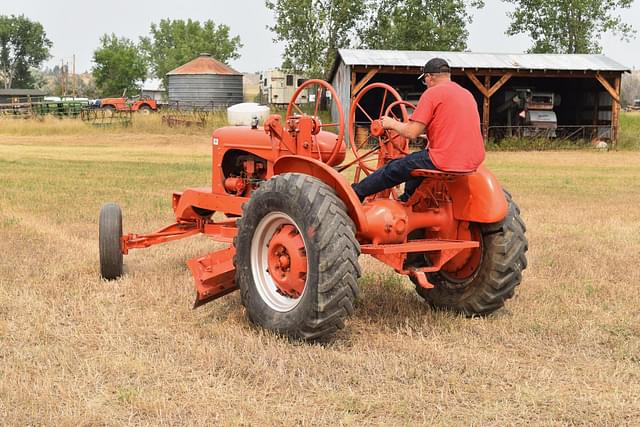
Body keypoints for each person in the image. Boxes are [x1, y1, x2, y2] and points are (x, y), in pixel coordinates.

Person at [351, 57, 485, 202]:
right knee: (415, 163)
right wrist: (428, 135)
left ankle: (356, 192)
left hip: (444, 159)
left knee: (394, 168)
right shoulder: (467, 94)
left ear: (429, 77)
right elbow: (452, 126)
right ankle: (409, 200)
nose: (425, 84)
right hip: (473, 161)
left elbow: (411, 132)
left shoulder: (432, 93)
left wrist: (391, 124)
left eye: (424, 80)